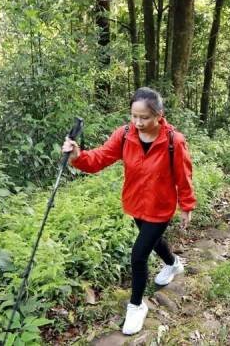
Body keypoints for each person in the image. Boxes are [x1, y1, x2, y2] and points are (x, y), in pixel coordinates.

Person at [61, 87, 196, 336]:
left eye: (144, 117)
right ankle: (173, 263)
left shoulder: (173, 141)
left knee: (138, 256)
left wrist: (186, 204)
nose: (138, 122)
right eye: (134, 116)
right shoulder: (125, 135)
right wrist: (78, 156)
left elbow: (183, 175)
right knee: (153, 243)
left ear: (159, 115)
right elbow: (100, 157)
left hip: (161, 206)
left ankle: (136, 305)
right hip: (135, 203)